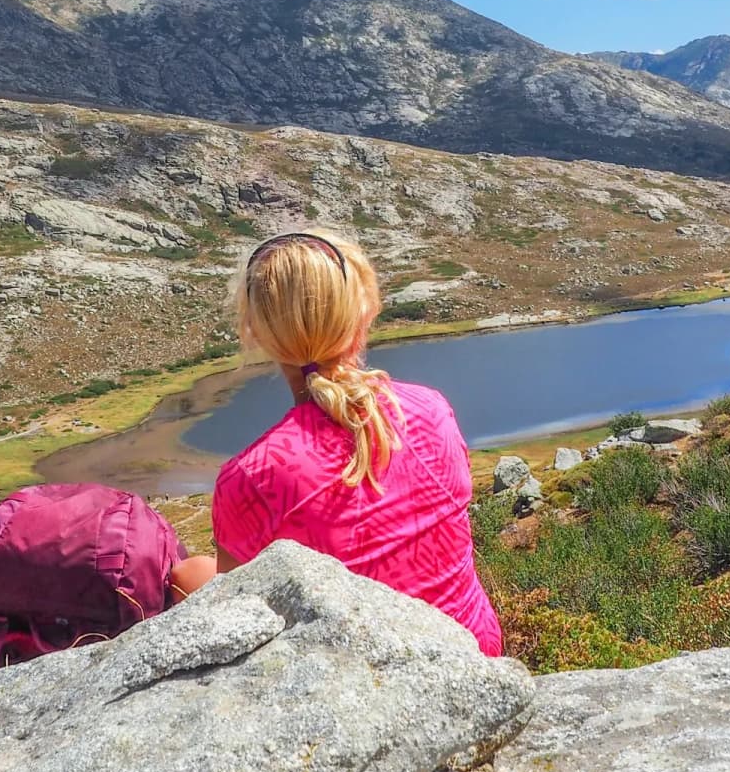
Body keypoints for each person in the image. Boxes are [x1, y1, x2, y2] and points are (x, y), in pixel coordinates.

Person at [172, 230, 503, 654]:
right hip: (476, 651)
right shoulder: (431, 410)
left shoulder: (251, 478)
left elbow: (241, 619)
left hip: (358, 688)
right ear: (362, 311)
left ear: (255, 331)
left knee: (187, 576)